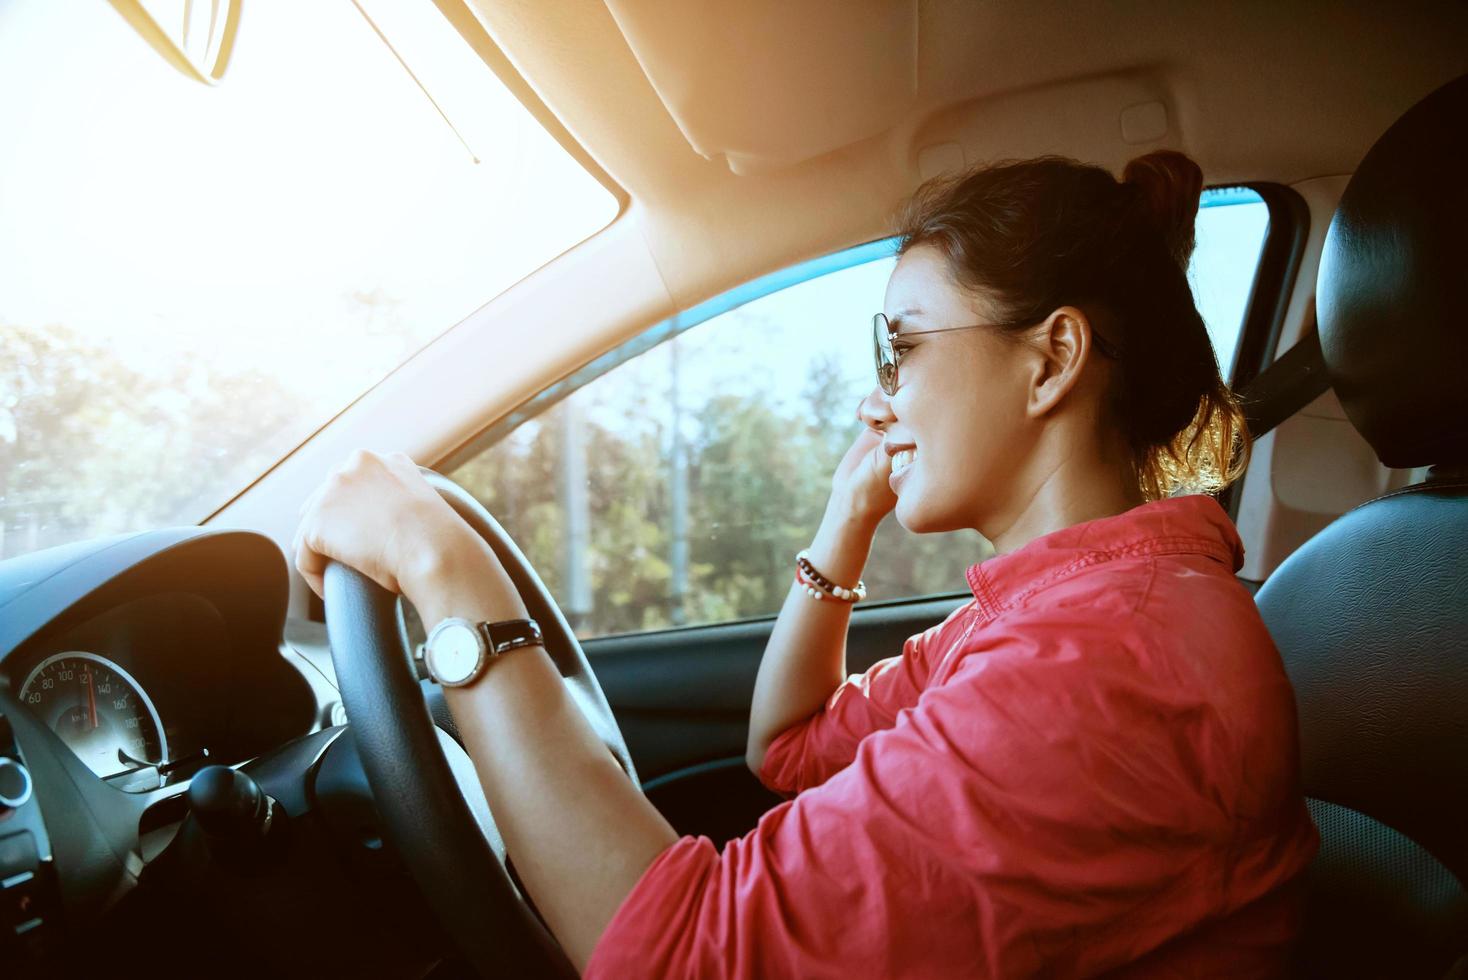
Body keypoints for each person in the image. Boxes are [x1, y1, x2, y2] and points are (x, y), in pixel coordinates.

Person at [294, 150, 1319, 977]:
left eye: (901, 348)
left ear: (1049, 360)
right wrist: (844, 523)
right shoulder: (1051, 613)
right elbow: (788, 748)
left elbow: (681, 958)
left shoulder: (1105, 662)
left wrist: (443, 565)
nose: (876, 397)